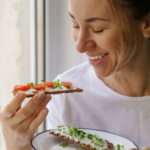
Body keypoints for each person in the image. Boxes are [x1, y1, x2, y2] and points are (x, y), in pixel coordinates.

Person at [0, 0, 150, 149]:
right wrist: (17, 146)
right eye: (75, 25)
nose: (79, 46)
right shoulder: (68, 100)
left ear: (147, 23)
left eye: (98, 29)